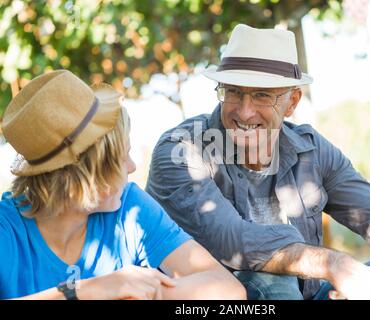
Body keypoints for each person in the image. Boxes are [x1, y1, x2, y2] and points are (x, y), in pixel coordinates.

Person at [146, 24, 370, 300]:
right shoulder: (180, 150)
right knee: (275, 283)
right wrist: (334, 263)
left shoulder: (311, 149)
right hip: (225, 300)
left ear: (292, 102)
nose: (244, 111)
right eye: (233, 93)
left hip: (306, 295)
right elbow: (231, 240)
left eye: (262, 95)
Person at [0, 70, 246, 300]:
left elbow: (229, 290)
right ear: (86, 173)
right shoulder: (6, 229)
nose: (132, 167)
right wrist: (88, 290)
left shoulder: (131, 209)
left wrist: (145, 289)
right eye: (123, 157)